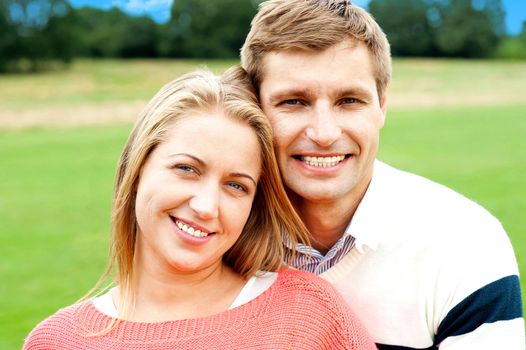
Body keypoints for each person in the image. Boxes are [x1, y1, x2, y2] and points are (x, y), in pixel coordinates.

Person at [23, 67, 377, 349]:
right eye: (187, 169)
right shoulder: (56, 341)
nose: (207, 206)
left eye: (236, 185)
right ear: (137, 168)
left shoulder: (308, 316)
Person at [240, 0, 524, 349]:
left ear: (382, 106)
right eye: (294, 102)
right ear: (254, 109)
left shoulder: (465, 243)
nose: (325, 133)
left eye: (349, 101)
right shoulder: (216, 233)